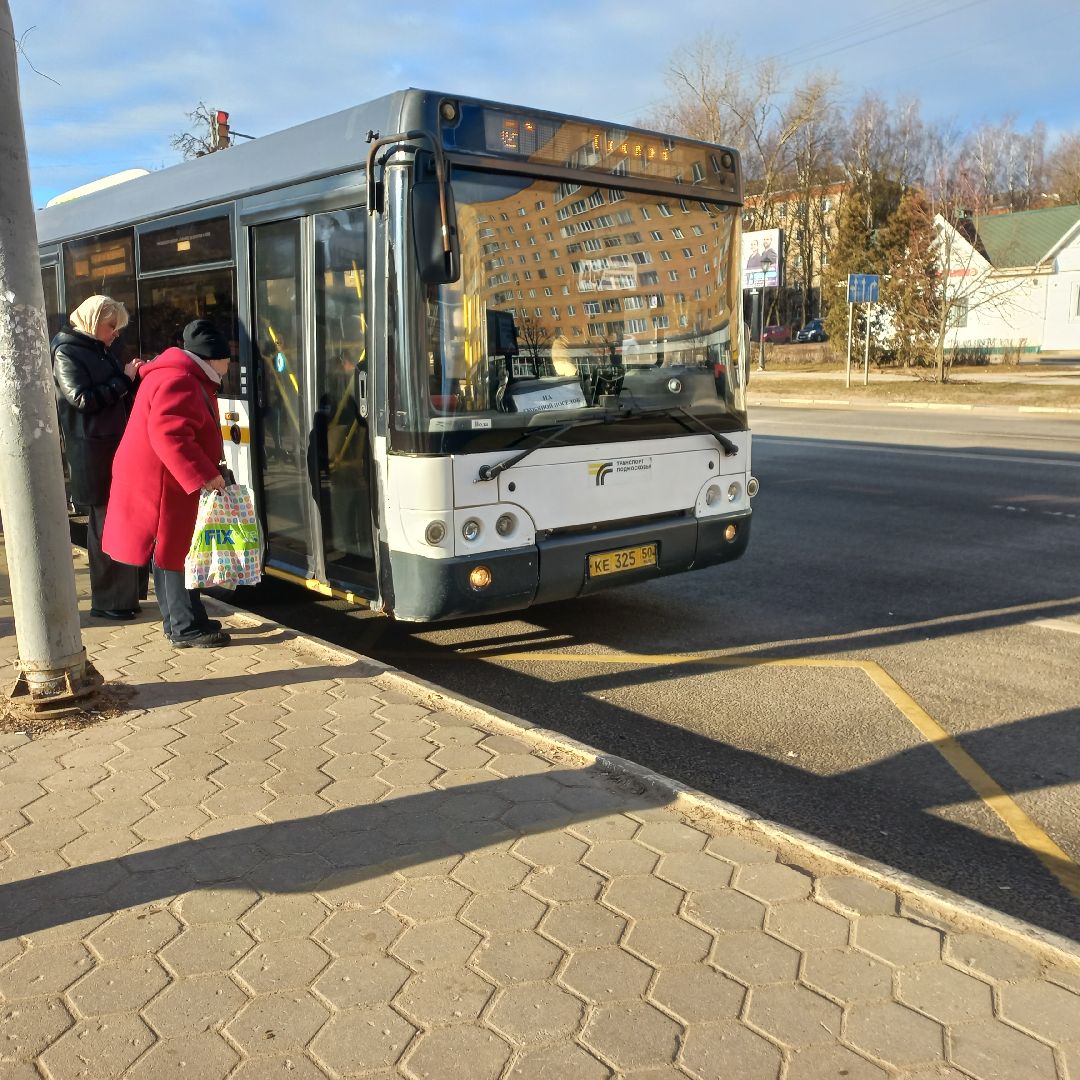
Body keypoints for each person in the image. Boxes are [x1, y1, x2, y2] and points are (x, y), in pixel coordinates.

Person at [103, 319, 232, 648]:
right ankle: (182, 628)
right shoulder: (181, 380)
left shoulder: (178, 373)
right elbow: (169, 435)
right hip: (164, 484)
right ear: (212, 358)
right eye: (227, 357)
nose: (230, 363)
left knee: (182, 553)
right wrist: (205, 475)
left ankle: (192, 616)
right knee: (171, 555)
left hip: (165, 480)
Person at [51, 295, 146, 619]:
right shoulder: (66, 351)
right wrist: (124, 379)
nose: (115, 334)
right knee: (106, 526)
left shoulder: (96, 349)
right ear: (93, 322)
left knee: (120, 522)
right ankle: (109, 602)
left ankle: (125, 598)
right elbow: (81, 398)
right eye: (111, 327)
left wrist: (131, 379)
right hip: (93, 452)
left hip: (110, 447)